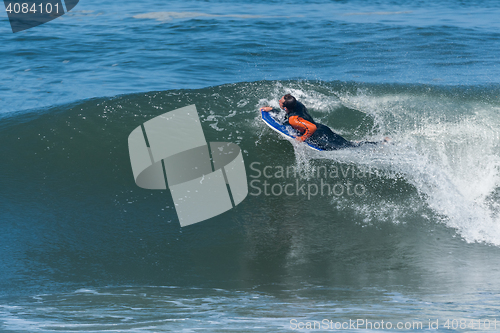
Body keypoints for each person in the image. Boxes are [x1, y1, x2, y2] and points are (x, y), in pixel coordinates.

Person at [261, 94, 384, 150]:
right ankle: (380, 142)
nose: (278, 100)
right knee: (349, 144)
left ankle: (379, 145)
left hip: (319, 136)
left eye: (280, 101)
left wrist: (301, 138)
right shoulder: (297, 104)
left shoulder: (293, 119)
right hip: (323, 128)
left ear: (286, 107)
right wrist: (273, 109)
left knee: (347, 148)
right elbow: (289, 115)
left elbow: (311, 128)